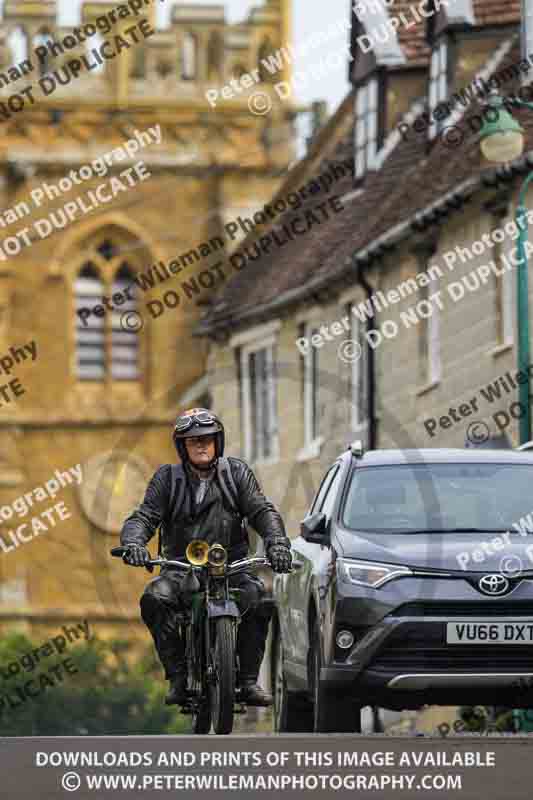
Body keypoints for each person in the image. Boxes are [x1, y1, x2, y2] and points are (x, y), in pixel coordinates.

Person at [120, 408, 292, 707]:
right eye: (192, 441)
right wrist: (134, 543)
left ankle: (248, 680)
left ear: (217, 442)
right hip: (180, 569)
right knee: (155, 598)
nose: (201, 445)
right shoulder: (167, 479)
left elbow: (261, 510)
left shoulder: (236, 473)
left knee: (261, 598)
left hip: (230, 566)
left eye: (207, 439)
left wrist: (277, 543)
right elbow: (144, 517)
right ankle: (177, 675)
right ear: (182, 447)